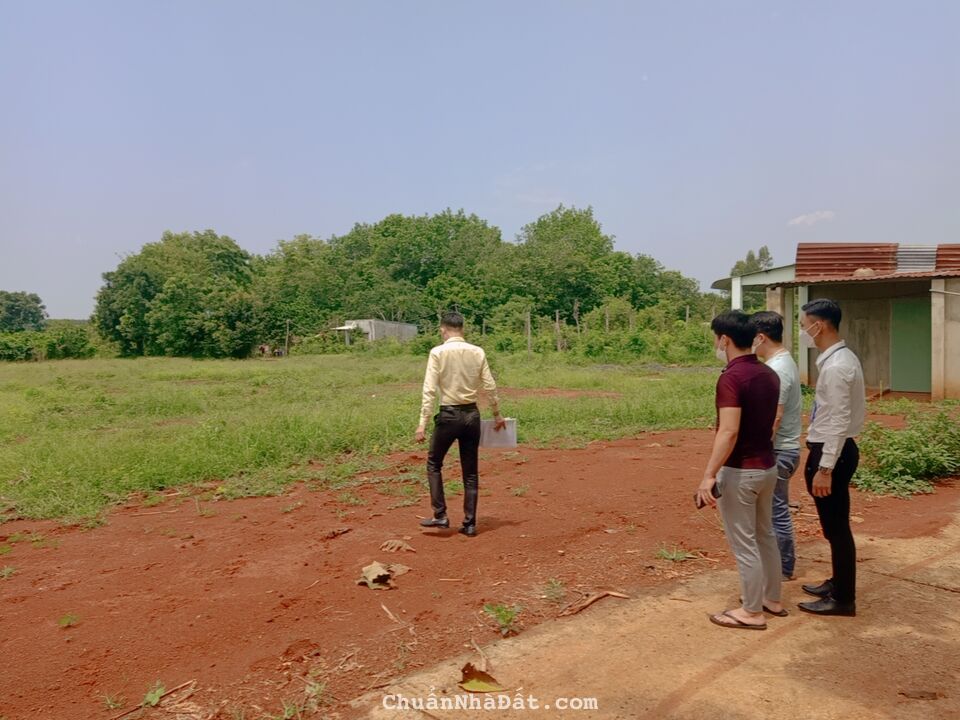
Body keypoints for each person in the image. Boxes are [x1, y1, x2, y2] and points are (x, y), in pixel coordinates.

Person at [698, 310, 783, 630]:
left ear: (725, 340)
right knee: (765, 536)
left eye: (716, 339)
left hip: (742, 471)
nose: (716, 344)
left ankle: (751, 611)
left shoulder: (732, 378)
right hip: (767, 467)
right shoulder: (768, 374)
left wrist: (709, 475)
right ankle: (772, 599)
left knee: (745, 543)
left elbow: (729, 430)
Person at [797, 299, 865, 616]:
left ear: (819, 325)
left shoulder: (837, 367)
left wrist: (825, 468)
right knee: (833, 527)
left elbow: (838, 420)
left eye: (803, 325)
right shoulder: (840, 359)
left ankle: (843, 599)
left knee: (837, 529)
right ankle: (838, 583)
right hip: (834, 448)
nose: (803, 332)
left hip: (832, 452)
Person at [416, 311, 505, 537]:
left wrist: (422, 423)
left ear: (443, 330)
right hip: (472, 415)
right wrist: (497, 414)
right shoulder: (477, 352)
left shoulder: (437, 352)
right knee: (470, 471)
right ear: (462, 329)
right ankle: (470, 523)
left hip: (448, 415)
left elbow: (429, 390)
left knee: (434, 463)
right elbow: (490, 386)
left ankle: (440, 514)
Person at [750, 311, 802, 581]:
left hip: (779, 451)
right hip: (785, 449)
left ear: (760, 337)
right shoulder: (783, 362)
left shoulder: (777, 369)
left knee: (775, 512)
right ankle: (780, 565)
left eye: (751, 338)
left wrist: (758, 453)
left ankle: (782, 568)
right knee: (774, 510)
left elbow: (775, 418)